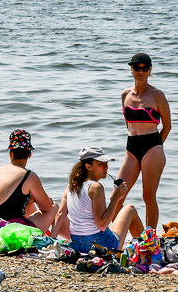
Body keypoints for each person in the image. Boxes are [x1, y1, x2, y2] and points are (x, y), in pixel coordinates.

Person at [55, 147, 143, 254]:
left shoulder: (70, 187)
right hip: (98, 245)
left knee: (110, 230)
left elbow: (59, 215)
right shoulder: (96, 187)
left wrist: (51, 242)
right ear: (88, 166)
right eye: (101, 164)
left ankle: (140, 249)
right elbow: (102, 225)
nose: (106, 167)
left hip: (75, 244)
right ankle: (147, 250)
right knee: (130, 209)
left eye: (106, 163)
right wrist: (115, 198)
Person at [118, 53, 171, 229]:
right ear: (131, 69)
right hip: (131, 147)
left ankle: (150, 239)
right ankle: (114, 237)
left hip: (152, 146)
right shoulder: (125, 94)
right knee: (117, 195)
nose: (140, 71)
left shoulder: (157, 95)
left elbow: (167, 126)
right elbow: (128, 124)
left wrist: (156, 146)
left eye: (145, 68)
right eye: (136, 68)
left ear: (149, 70)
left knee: (148, 197)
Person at [0, 129, 57, 232]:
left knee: (28, 202)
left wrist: (32, 199)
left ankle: (66, 238)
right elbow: (47, 208)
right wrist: (41, 200)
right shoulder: (28, 176)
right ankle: (55, 240)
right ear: (29, 155)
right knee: (54, 207)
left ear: (11, 154)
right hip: (11, 232)